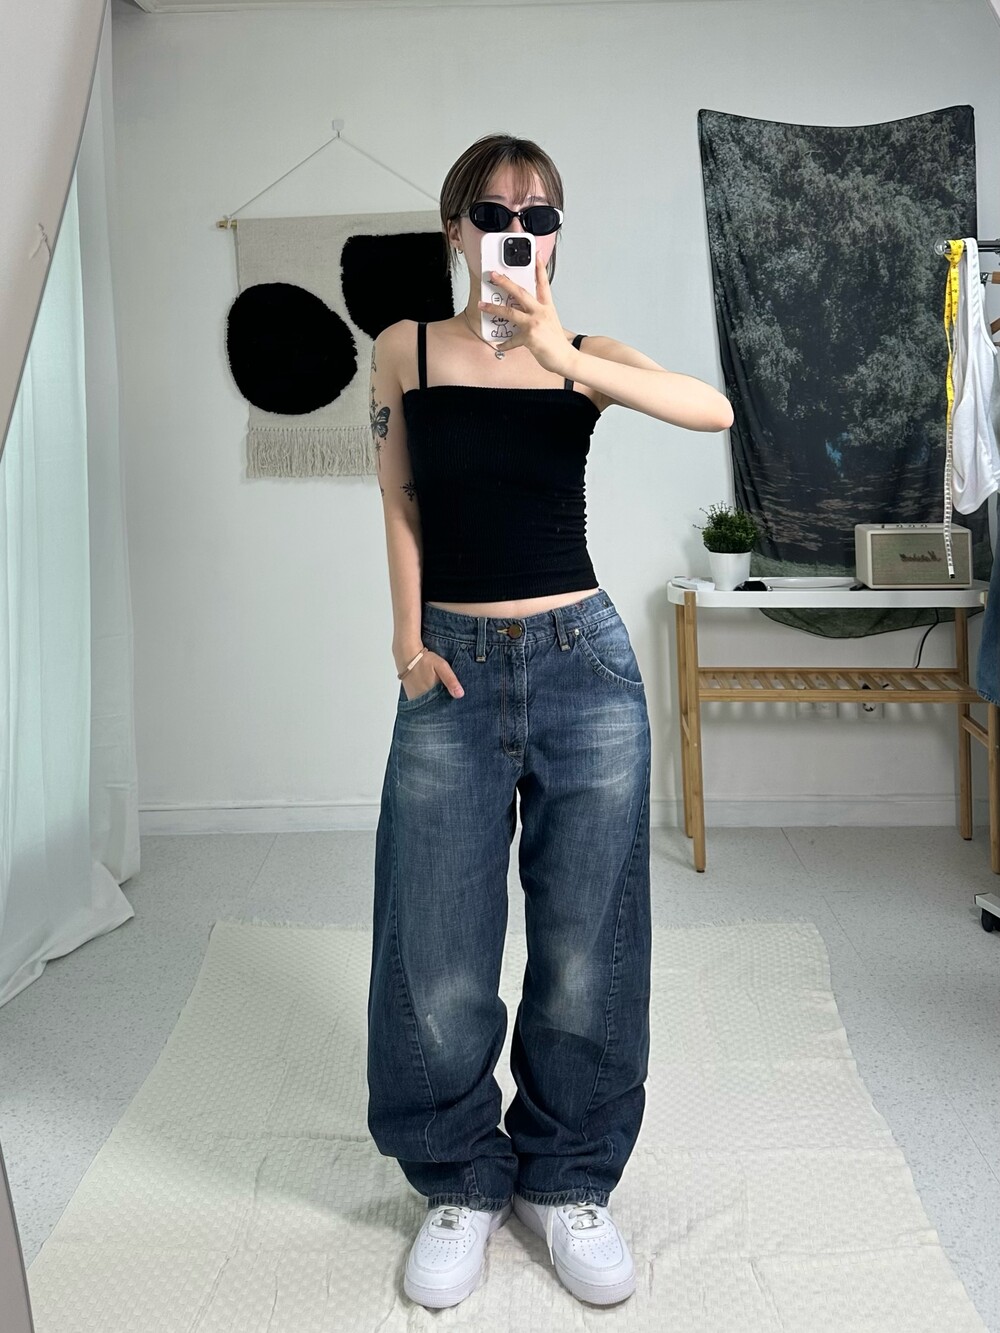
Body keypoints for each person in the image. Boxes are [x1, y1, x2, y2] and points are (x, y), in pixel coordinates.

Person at [366, 132, 733, 1312]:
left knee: (588, 942)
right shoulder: (406, 348)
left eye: (537, 213)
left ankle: (567, 1175)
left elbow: (713, 411)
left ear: (556, 233)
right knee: (436, 945)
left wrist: (560, 350)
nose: (515, 228)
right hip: (452, 670)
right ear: (455, 228)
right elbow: (400, 499)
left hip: (585, 667)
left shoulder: (583, 356)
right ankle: (459, 1180)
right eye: (492, 210)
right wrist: (407, 644)